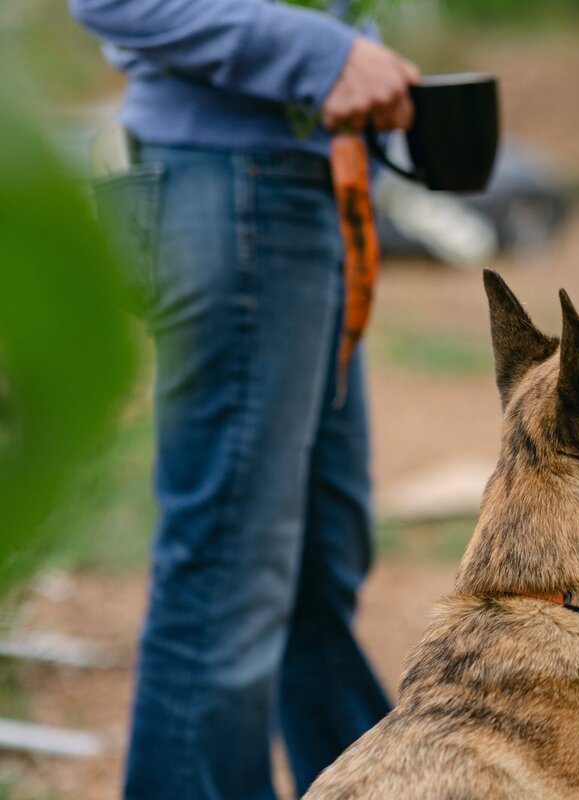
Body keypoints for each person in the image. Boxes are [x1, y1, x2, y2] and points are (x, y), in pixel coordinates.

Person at [69, 2, 419, 797]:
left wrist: (356, 55)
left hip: (304, 184)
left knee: (316, 562)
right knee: (229, 564)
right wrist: (321, 55)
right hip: (234, 191)